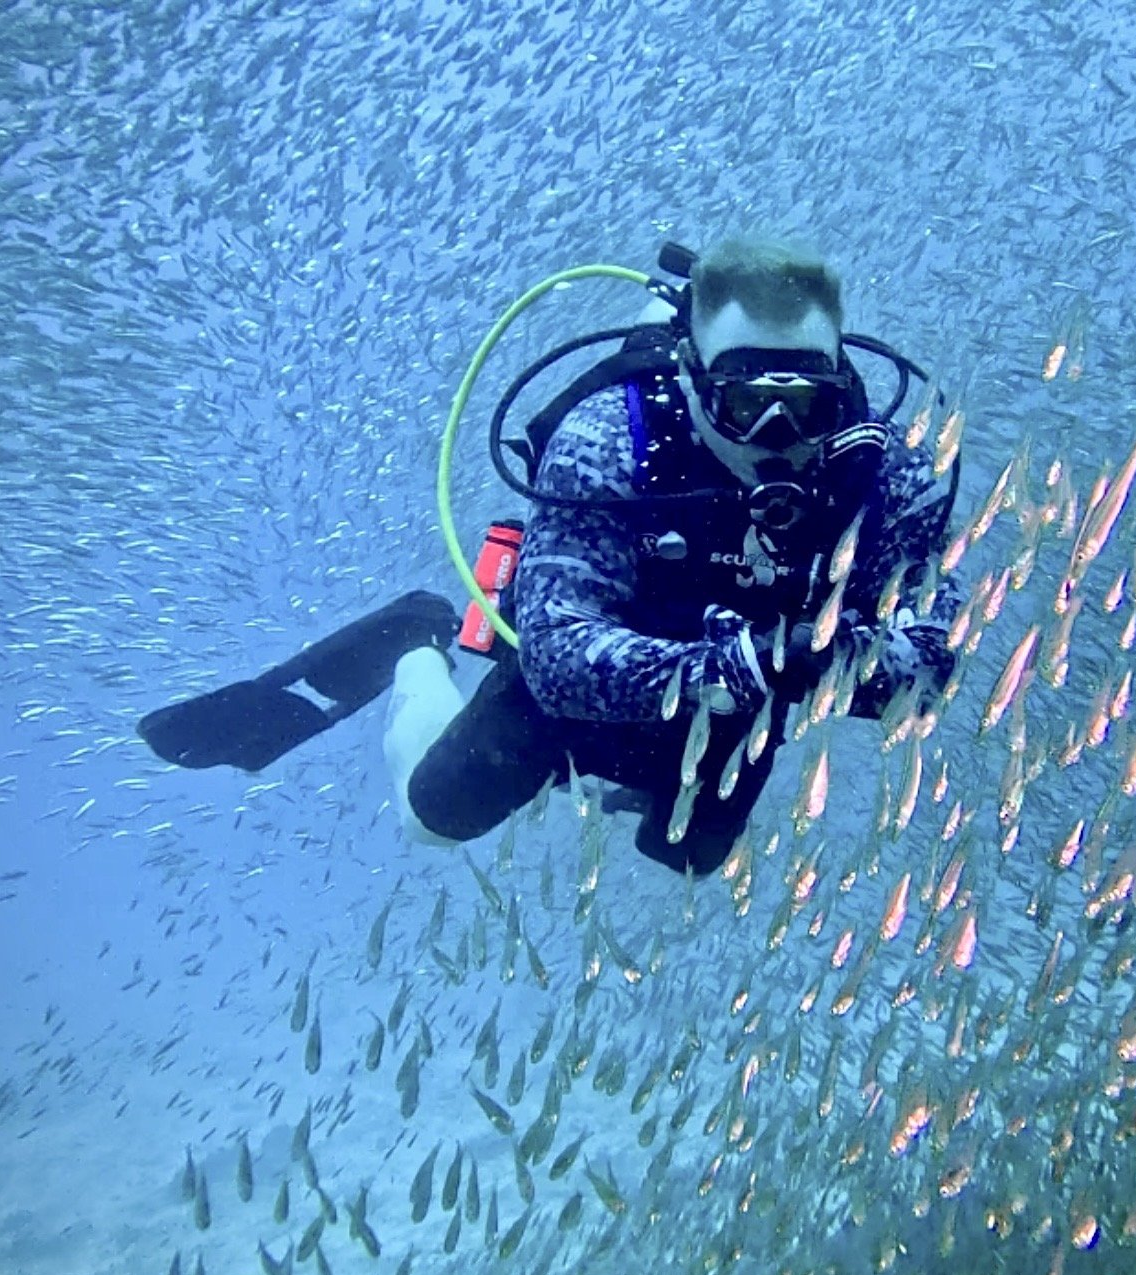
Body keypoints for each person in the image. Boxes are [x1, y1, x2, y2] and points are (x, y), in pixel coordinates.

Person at [374, 236, 961, 874]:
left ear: (840, 387)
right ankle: (415, 643)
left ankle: (638, 791)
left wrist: (819, 661)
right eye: (746, 404)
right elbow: (554, 655)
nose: (776, 435)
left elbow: (933, 657)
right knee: (431, 818)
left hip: (733, 718)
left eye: (804, 407)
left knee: (689, 860)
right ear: (691, 379)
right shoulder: (607, 439)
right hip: (578, 690)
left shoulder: (889, 472)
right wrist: (736, 666)